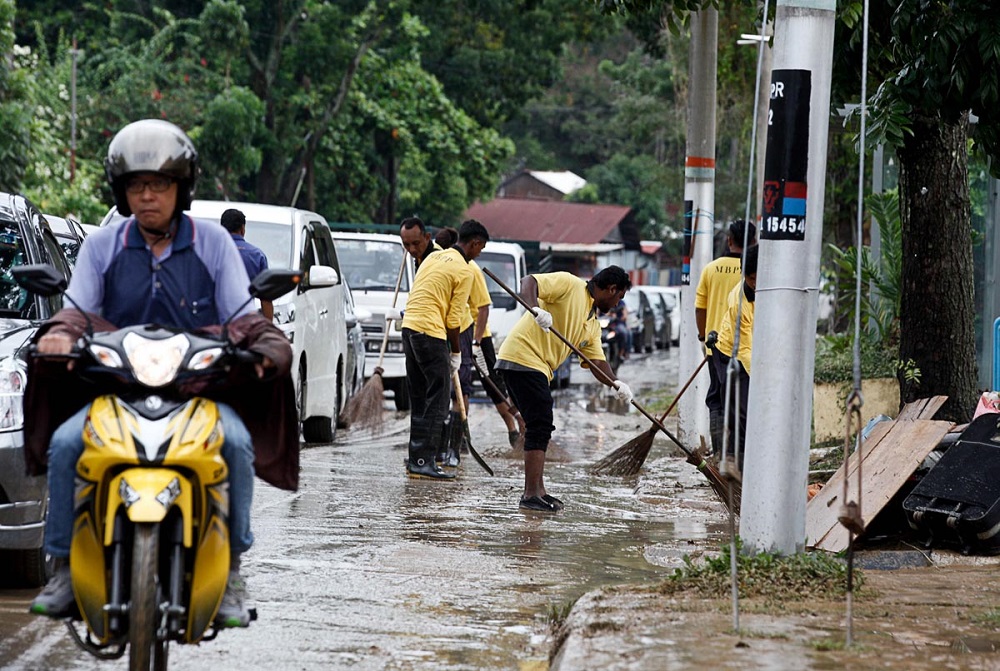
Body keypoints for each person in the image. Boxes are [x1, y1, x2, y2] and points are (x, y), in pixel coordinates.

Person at [25, 119, 297, 628]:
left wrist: (265, 344)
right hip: (116, 389)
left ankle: (233, 572)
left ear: (181, 189)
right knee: (66, 444)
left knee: (235, 445)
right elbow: (75, 311)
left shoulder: (214, 244)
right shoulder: (102, 245)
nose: (148, 196)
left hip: (198, 390)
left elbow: (241, 315)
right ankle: (63, 568)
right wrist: (59, 336)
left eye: (159, 185)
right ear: (122, 192)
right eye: (136, 186)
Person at [496, 266, 634, 512]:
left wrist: (616, 383)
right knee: (541, 423)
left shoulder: (592, 323)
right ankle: (530, 495)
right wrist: (535, 308)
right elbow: (528, 281)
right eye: (618, 297)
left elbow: (596, 362)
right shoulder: (570, 284)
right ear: (611, 289)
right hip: (522, 357)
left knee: (539, 424)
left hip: (535, 366)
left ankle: (539, 491)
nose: (616, 304)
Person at [399, 219, 490, 478]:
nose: (479, 254)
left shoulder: (433, 258)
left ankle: (416, 460)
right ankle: (424, 462)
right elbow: (454, 321)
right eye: (480, 249)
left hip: (409, 328)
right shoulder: (465, 270)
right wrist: (456, 353)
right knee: (438, 400)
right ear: (474, 243)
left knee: (420, 398)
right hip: (430, 333)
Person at [694, 219, 756, 456]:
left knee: (718, 400)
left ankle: (722, 452)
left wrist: (702, 337)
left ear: (729, 240)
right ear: (753, 241)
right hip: (745, 345)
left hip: (717, 347)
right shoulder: (754, 269)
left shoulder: (712, 269)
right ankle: (732, 454)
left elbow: (700, 307)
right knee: (737, 402)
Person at [709, 244, 758, 478]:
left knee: (747, 411)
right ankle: (731, 460)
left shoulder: (769, 292)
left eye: (759, 279)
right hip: (730, 354)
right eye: (751, 279)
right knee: (741, 410)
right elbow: (746, 347)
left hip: (751, 354)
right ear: (744, 276)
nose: (756, 284)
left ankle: (742, 460)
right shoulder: (739, 301)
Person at [221, 207, 273, 320]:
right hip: (245, 322)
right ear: (242, 229)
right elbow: (266, 299)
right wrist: (268, 329)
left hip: (216, 323)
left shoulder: (212, 252)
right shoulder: (257, 256)